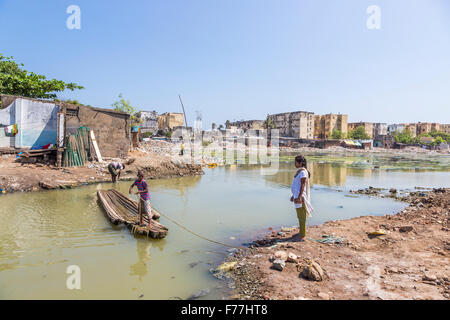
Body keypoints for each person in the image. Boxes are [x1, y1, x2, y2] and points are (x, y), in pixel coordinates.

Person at [290, 155, 314, 241]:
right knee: (299, 215)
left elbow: (302, 185)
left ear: (300, 163)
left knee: (302, 216)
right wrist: (294, 196)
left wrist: (299, 197)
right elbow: (297, 185)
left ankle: (302, 235)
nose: (295, 164)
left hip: (301, 197)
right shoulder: (300, 171)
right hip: (297, 196)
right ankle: (301, 232)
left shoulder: (303, 172)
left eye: (296, 162)